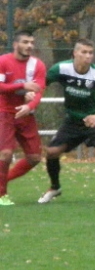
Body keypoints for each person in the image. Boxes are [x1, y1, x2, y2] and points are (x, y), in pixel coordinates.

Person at [37, 38, 95, 204]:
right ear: (75, 53)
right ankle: (54, 187)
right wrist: (31, 95)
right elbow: (41, 83)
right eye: (84, 52)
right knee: (52, 152)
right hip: (73, 119)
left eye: (90, 53)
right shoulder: (61, 68)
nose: (88, 56)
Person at [0, 31, 46, 206]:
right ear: (15, 44)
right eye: (25, 42)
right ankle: (1, 194)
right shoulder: (3, 61)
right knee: (5, 153)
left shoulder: (38, 65)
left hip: (26, 115)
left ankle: (2, 181)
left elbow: (38, 90)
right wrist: (22, 86)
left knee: (34, 157)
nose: (29, 46)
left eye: (32, 42)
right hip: (5, 112)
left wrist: (30, 106)